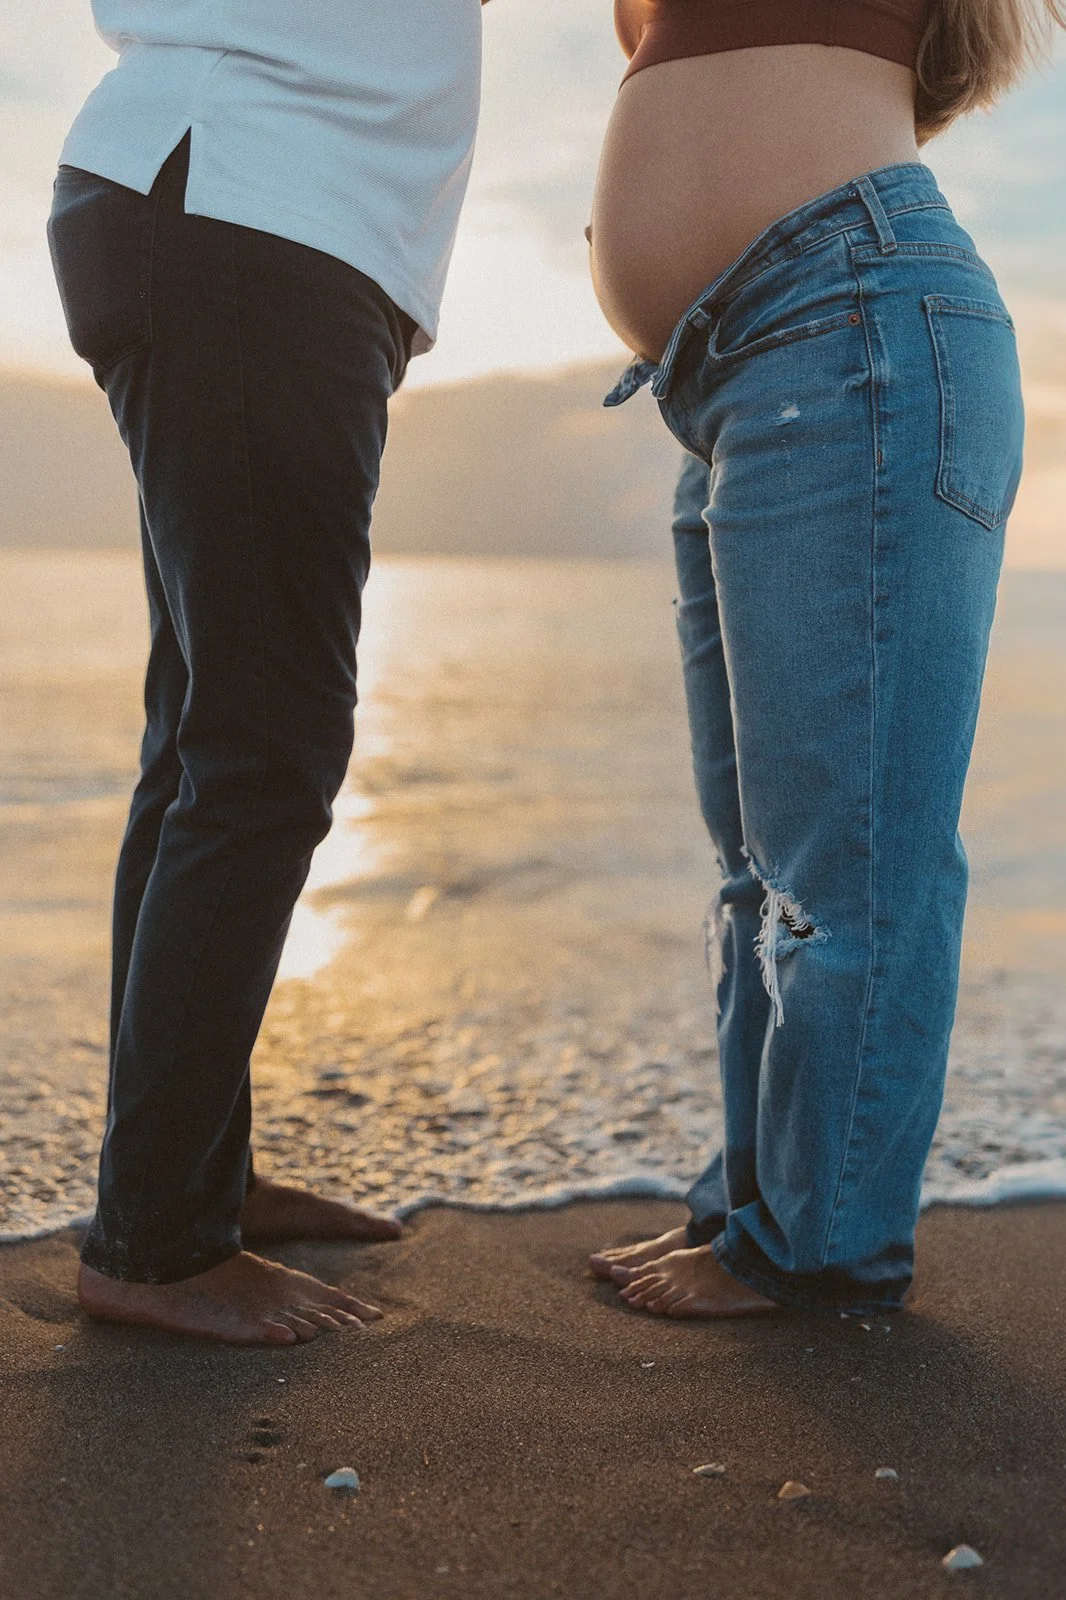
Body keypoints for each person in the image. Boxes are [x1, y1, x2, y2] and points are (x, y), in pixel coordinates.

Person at [588, 0, 1061, 1318]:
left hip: (845, 326)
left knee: (843, 861)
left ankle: (819, 1245)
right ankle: (760, 1206)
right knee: (761, 863)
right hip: (744, 365)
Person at [47, 0, 489, 1346]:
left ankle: (189, 1182)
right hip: (252, 202)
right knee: (263, 745)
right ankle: (158, 1244)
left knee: (205, 740)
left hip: (237, 203)